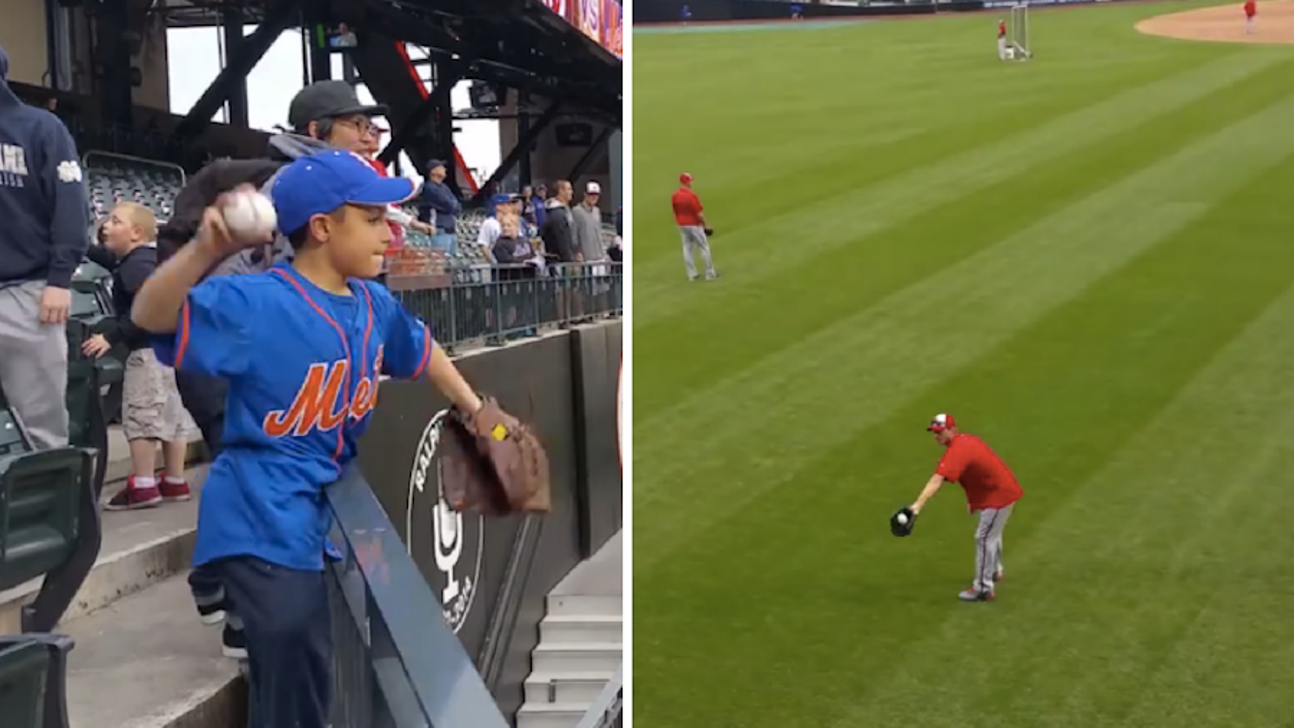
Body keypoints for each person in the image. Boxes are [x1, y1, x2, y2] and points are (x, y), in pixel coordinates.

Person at [131, 149, 493, 728]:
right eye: (372, 218)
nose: (389, 232)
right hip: (259, 511)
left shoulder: (372, 302)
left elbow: (420, 350)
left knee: (295, 681)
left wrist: (479, 415)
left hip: (312, 507)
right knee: (299, 664)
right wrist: (204, 250)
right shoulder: (258, 301)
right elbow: (151, 317)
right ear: (323, 227)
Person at [0, 44, 89, 450]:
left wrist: (59, 278)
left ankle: (56, 512)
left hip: (27, 292)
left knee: (41, 428)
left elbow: (70, 206)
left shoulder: (39, 127)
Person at [82, 202, 198, 511]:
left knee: (141, 417)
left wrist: (110, 336)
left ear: (135, 233)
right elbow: (112, 260)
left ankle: (144, 486)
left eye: (115, 221)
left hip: (147, 355)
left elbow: (146, 308)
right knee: (173, 418)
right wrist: (81, 244)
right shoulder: (147, 258)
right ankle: (174, 481)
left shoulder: (136, 266)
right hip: (173, 353)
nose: (106, 226)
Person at [905, 414, 1023, 602]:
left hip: (999, 495)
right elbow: (981, 469)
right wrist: (975, 500)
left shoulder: (958, 450)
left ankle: (984, 588)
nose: (937, 436)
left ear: (952, 429)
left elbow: (937, 480)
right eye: (934, 433)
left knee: (984, 537)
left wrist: (916, 507)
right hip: (997, 491)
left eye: (940, 432)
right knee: (992, 533)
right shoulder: (965, 441)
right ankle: (993, 570)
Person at [672, 172, 717, 281]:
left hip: (682, 224)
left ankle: (692, 274)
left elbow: (675, 211)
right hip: (694, 224)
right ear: (687, 182)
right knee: (703, 247)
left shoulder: (675, 195)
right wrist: (706, 225)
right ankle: (709, 273)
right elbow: (699, 213)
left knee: (687, 248)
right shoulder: (691, 196)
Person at [417, 159, 461, 254]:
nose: (444, 169)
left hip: (449, 229)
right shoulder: (430, 188)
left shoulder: (444, 187)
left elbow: (456, 206)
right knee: (440, 263)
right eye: (441, 167)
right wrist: (453, 205)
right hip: (438, 229)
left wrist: (453, 205)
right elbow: (448, 204)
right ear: (433, 171)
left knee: (450, 264)